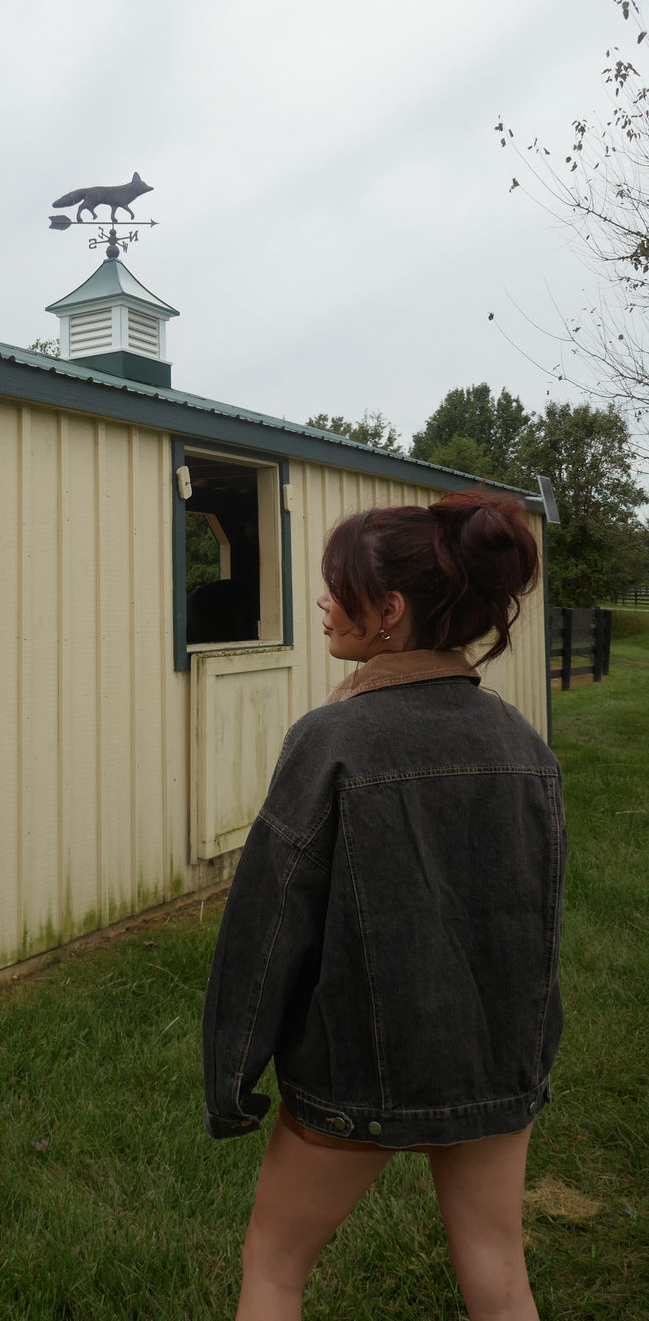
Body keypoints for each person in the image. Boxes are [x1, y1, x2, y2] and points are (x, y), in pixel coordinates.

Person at [202, 490, 565, 1321]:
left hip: (355, 1069)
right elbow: (532, 925)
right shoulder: (523, 742)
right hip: (494, 1066)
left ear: (389, 612)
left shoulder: (332, 739)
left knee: (275, 1268)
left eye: (337, 587)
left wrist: (232, 1081)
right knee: (501, 1275)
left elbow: (264, 930)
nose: (323, 602)